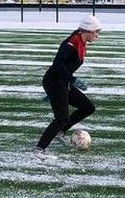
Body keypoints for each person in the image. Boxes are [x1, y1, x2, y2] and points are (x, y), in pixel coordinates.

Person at [34, 14, 101, 160]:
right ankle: (39, 149)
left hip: (63, 82)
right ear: (87, 30)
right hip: (55, 82)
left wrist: (69, 81)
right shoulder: (71, 42)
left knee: (87, 107)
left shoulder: (80, 41)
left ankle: (60, 133)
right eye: (96, 31)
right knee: (61, 118)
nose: (97, 35)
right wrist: (71, 80)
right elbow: (57, 65)